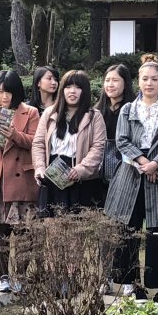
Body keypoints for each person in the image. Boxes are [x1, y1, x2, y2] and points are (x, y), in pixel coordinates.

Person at [105, 54, 158, 304]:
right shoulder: (129, 108)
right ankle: (132, 283)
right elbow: (122, 140)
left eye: (154, 79)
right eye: (145, 78)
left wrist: (156, 163)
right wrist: (142, 162)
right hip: (131, 171)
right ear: (138, 81)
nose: (149, 83)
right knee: (127, 227)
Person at [0, 70, 40, 293]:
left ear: (17, 92)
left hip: (21, 179)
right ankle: (3, 277)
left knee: (23, 232)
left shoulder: (30, 112)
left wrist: (13, 134)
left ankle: (20, 277)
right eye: (0, 92)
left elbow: (35, 141)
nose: (4, 97)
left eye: (8, 92)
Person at [32, 69, 107, 214]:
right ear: (62, 89)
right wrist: (40, 167)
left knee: (77, 226)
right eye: (68, 87)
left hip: (80, 179)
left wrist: (81, 169)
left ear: (84, 91)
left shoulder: (94, 116)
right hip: (52, 176)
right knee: (50, 224)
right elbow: (38, 143)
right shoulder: (49, 113)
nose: (72, 91)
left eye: (78, 87)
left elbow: (98, 147)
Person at [96, 63, 136, 295]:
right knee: (104, 229)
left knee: (126, 227)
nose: (111, 84)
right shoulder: (97, 109)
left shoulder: (131, 109)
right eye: (108, 80)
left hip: (125, 170)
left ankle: (129, 276)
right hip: (100, 174)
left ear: (125, 84)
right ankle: (106, 275)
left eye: (116, 80)